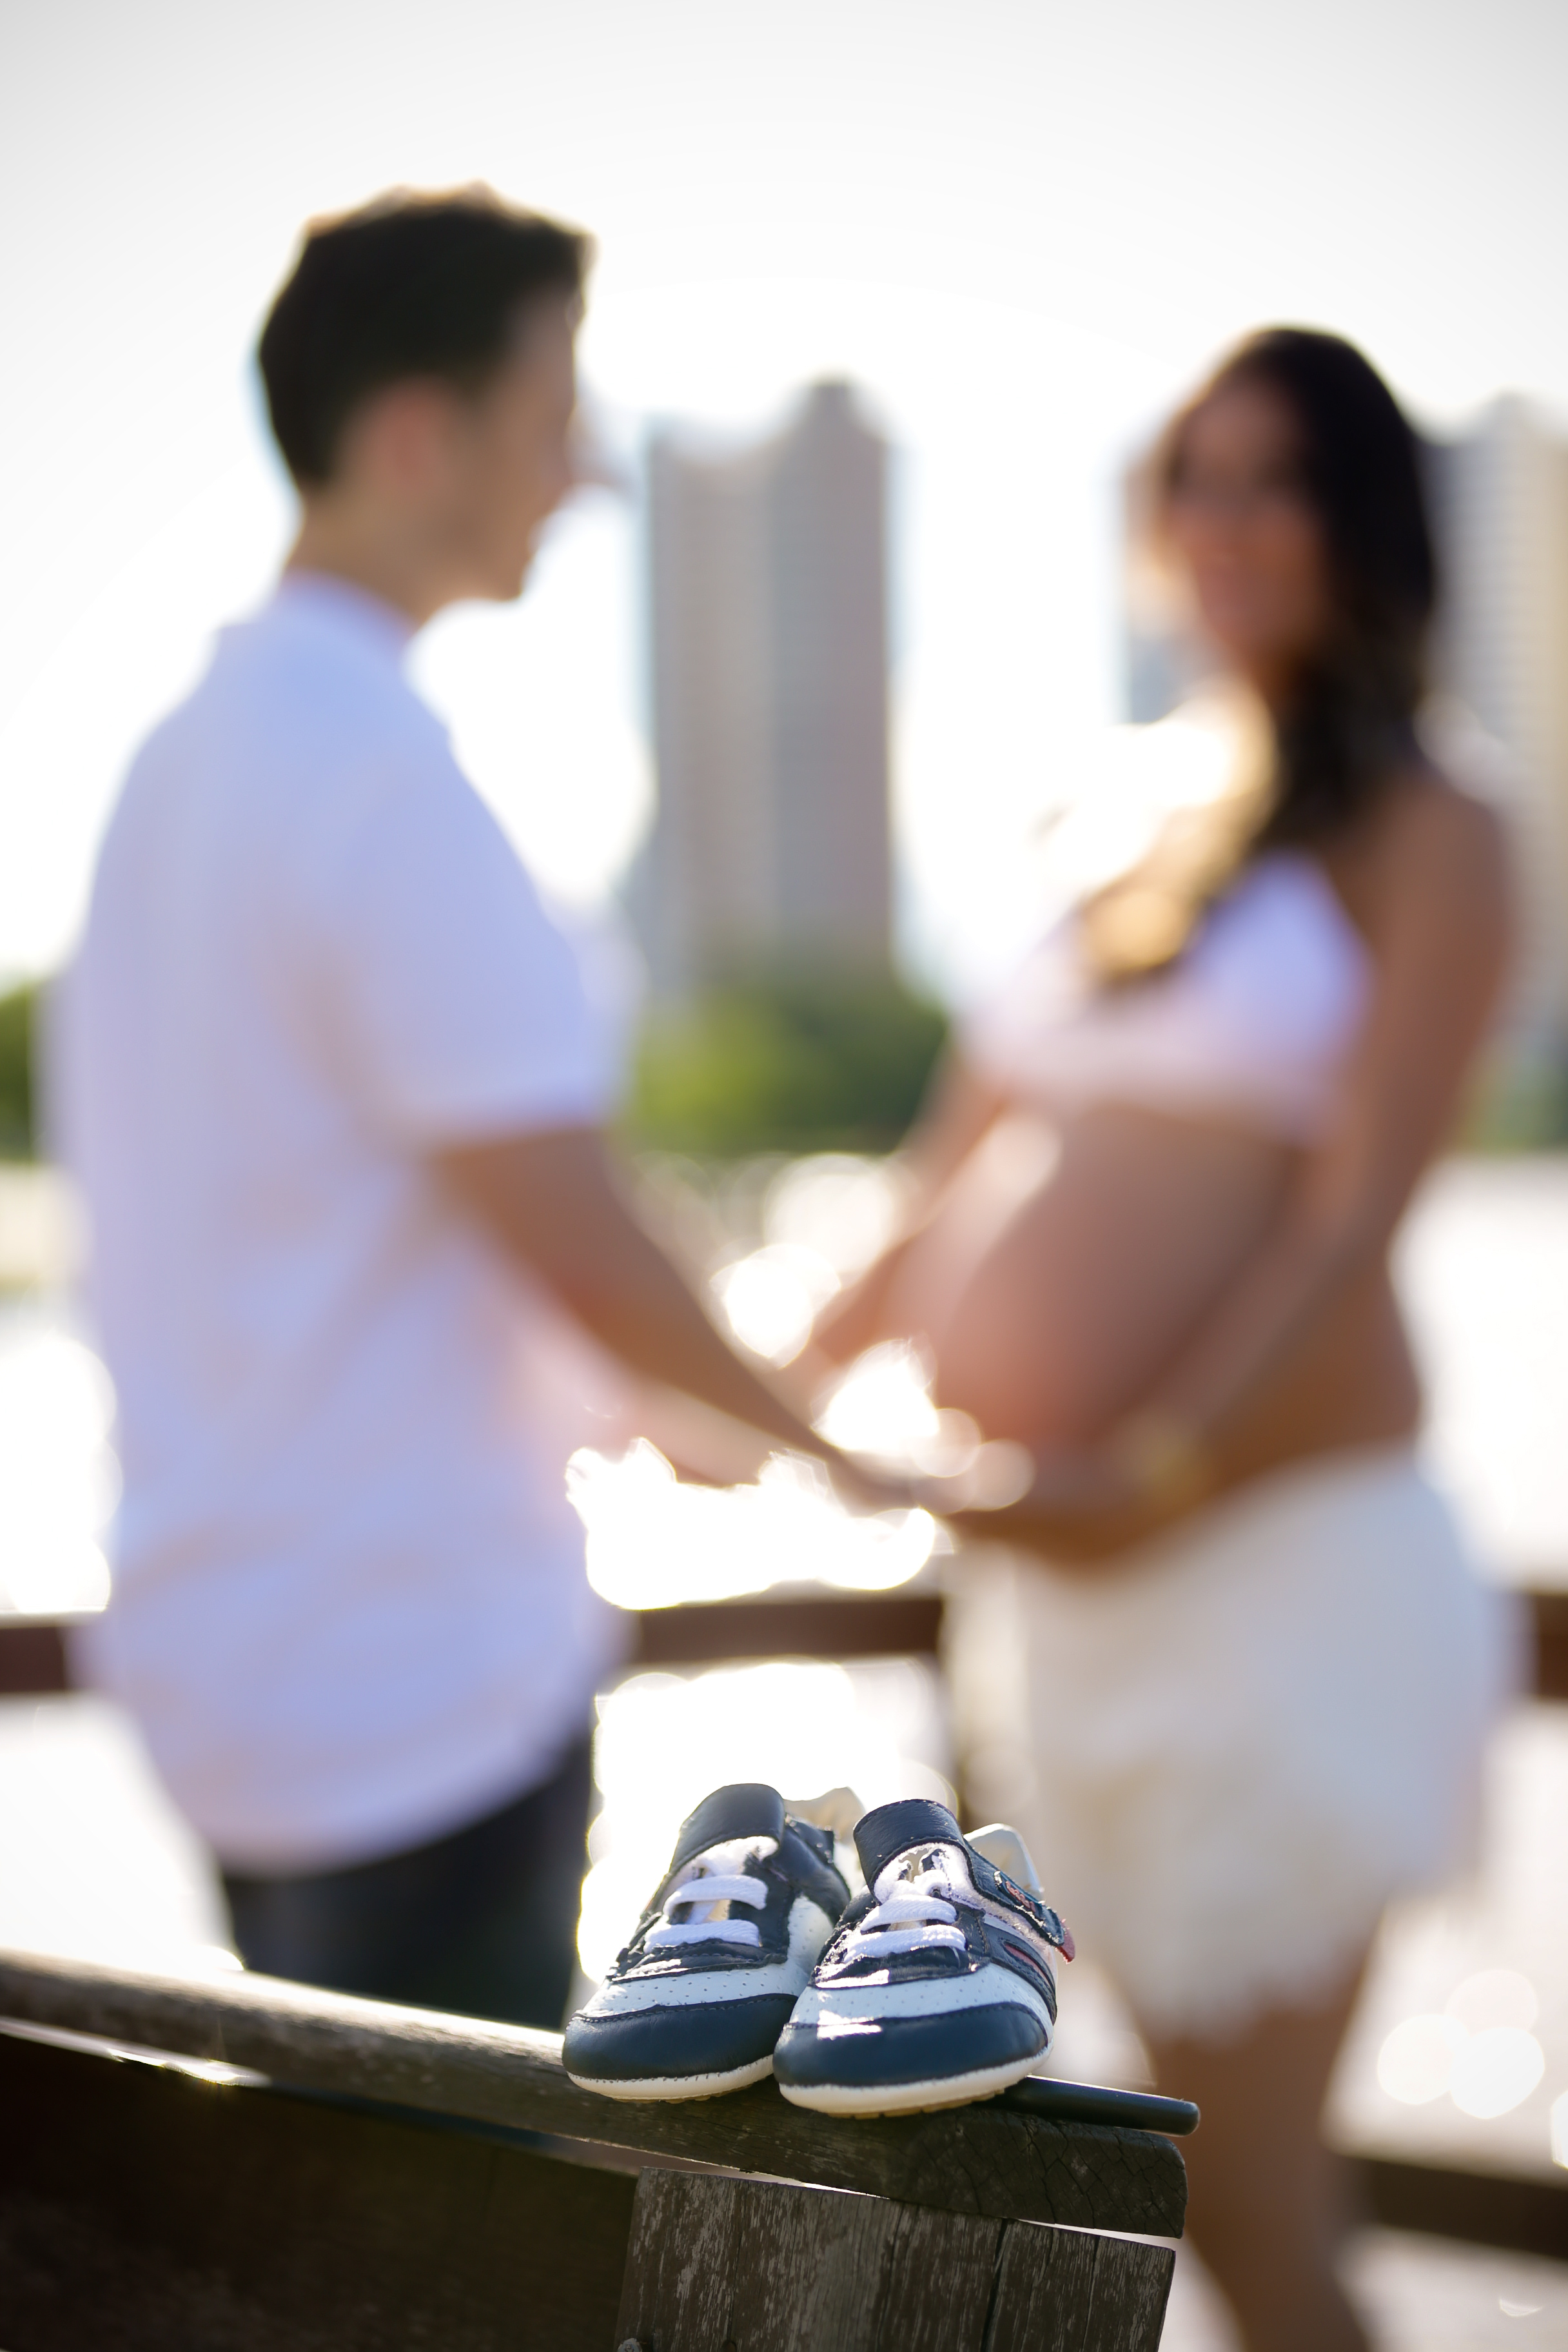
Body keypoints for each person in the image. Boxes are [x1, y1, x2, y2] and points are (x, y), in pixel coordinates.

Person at [55, 188, 887, 2033]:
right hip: (405, 1691)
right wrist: (837, 1455)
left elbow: (334, 1217)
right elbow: (572, 1227)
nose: (579, 473)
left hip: (237, 1666)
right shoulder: (370, 774)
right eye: (549, 418)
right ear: (417, 435)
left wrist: (645, 1408)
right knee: (467, 2274)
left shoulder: (181, 765)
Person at [813, 329, 1518, 2352]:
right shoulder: (1111, 808)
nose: (1226, 523)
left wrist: (1164, 1466)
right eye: (1194, 477)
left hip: (1272, 1575)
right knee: (1166, 2196)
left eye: (1276, 479)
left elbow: (1348, 1215)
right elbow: (951, 1175)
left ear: (1365, 523)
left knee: (1250, 2208)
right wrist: (743, 1399)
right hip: (1066, 1611)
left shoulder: (1433, 819)